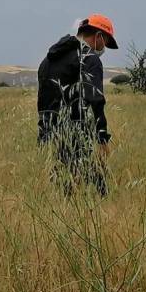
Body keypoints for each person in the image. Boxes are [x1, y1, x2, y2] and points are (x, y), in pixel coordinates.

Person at [36, 15, 117, 196]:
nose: (104, 47)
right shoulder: (90, 59)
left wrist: (44, 133)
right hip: (78, 135)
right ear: (98, 36)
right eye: (105, 41)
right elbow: (96, 100)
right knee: (96, 190)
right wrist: (102, 138)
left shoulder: (46, 61)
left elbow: (43, 101)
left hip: (49, 133)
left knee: (59, 189)